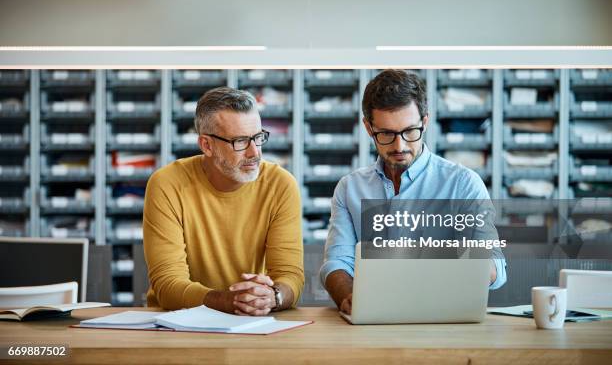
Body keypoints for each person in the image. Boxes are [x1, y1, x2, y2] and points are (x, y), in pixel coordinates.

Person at [320, 69, 507, 315]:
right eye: (386, 134)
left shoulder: (463, 184)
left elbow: (495, 265)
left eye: (410, 131)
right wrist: (347, 296)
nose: (400, 146)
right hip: (372, 319)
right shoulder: (350, 189)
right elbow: (336, 262)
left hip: (445, 318)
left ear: (425, 121)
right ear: (368, 128)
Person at [143, 87, 304, 316]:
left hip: (253, 320)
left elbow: (290, 275)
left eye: (258, 138)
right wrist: (227, 301)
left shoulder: (281, 185)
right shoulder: (167, 184)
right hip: (177, 323)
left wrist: (273, 296)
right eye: (240, 141)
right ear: (206, 145)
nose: (254, 152)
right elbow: (167, 284)